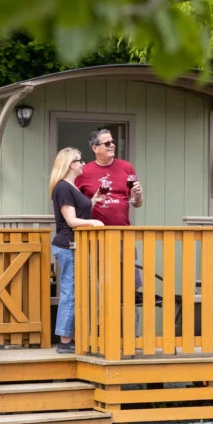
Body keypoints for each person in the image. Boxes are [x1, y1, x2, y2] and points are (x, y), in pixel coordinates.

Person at [76, 129, 147, 300]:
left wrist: (137, 195)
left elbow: (136, 203)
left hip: (124, 235)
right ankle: (102, 323)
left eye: (113, 142)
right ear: (95, 148)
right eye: (107, 143)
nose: (112, 145)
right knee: (100, 283)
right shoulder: (84, 171)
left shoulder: (126, 167)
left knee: (129, 284)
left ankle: (128, 324)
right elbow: (75, 206)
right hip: (95, 237)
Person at [49, 148, 104, 353]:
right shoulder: (63, 187)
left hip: (73, 246)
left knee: (73, 290)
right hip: (68, 245)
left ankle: (68, 338)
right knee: (69, 291)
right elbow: (71, 221)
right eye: (80, 161)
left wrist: (93, 202)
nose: (83, 163)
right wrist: (94, 222)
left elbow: (75, 210)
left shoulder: (71, 186)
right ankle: (64, 341)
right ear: (71, 164)